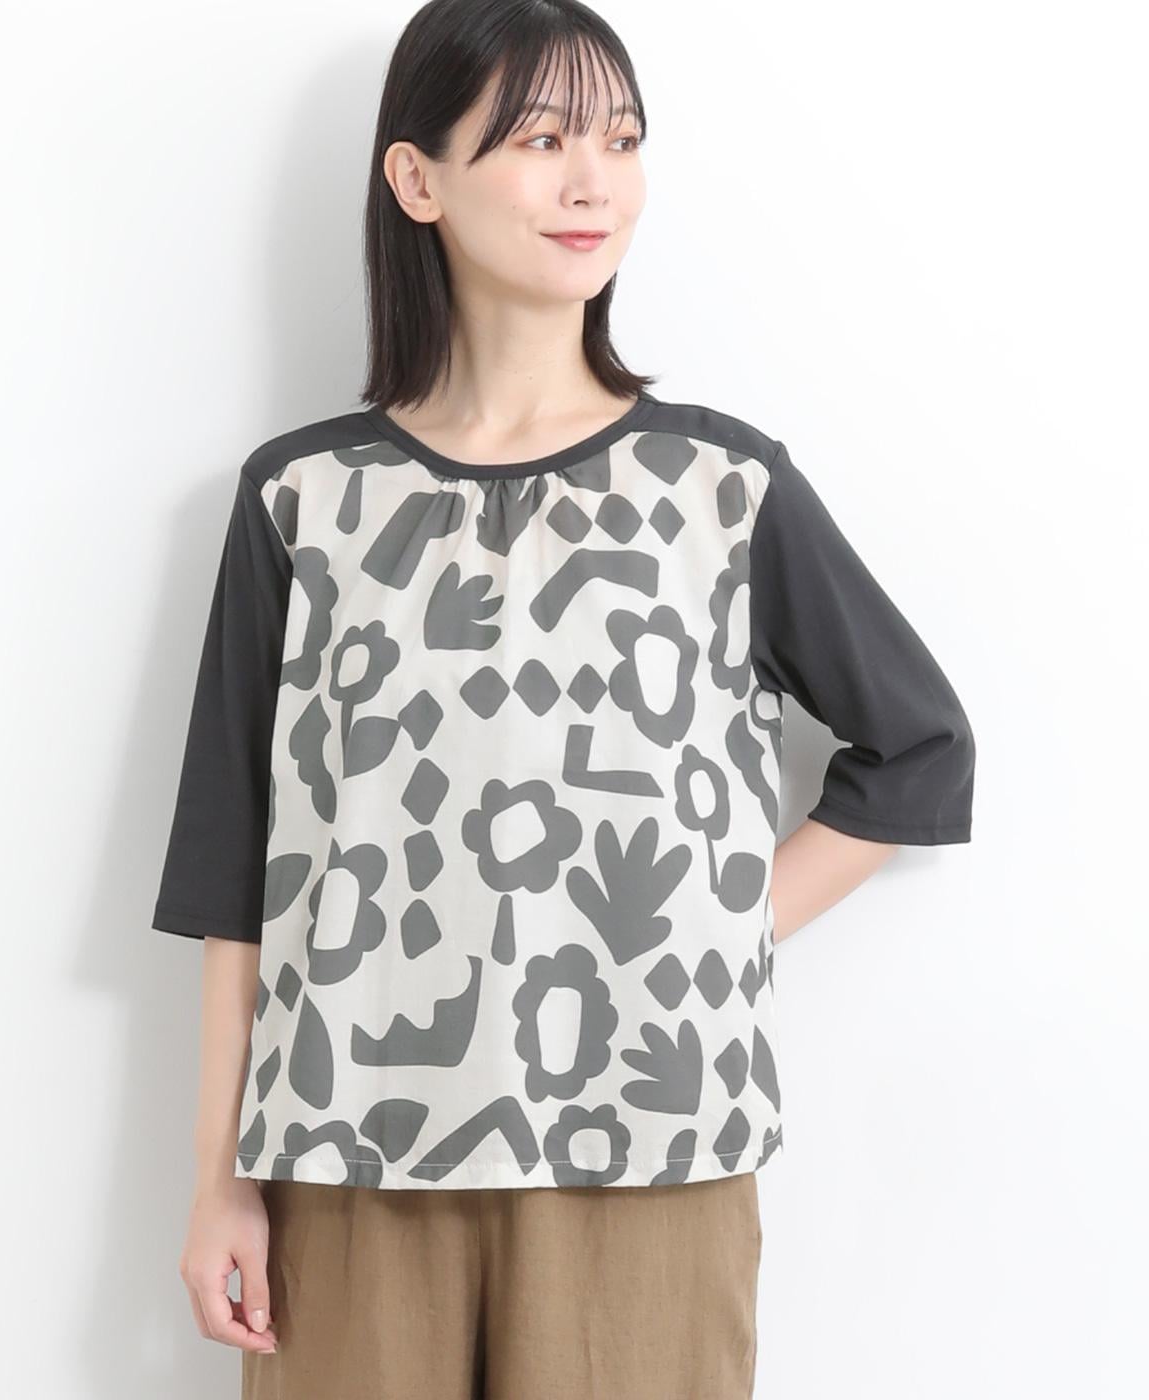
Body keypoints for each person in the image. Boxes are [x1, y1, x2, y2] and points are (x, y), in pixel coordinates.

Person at [151, 1, 976, 1396]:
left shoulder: (722, 486)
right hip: (350, 1153)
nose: (595, 181)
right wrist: (218, 1177)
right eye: (541, 140)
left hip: (647, 1152)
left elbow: (921, 750)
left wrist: (710, 925)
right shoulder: (303, 497)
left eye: (622, 139)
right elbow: (237, 868)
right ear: (418, 179)